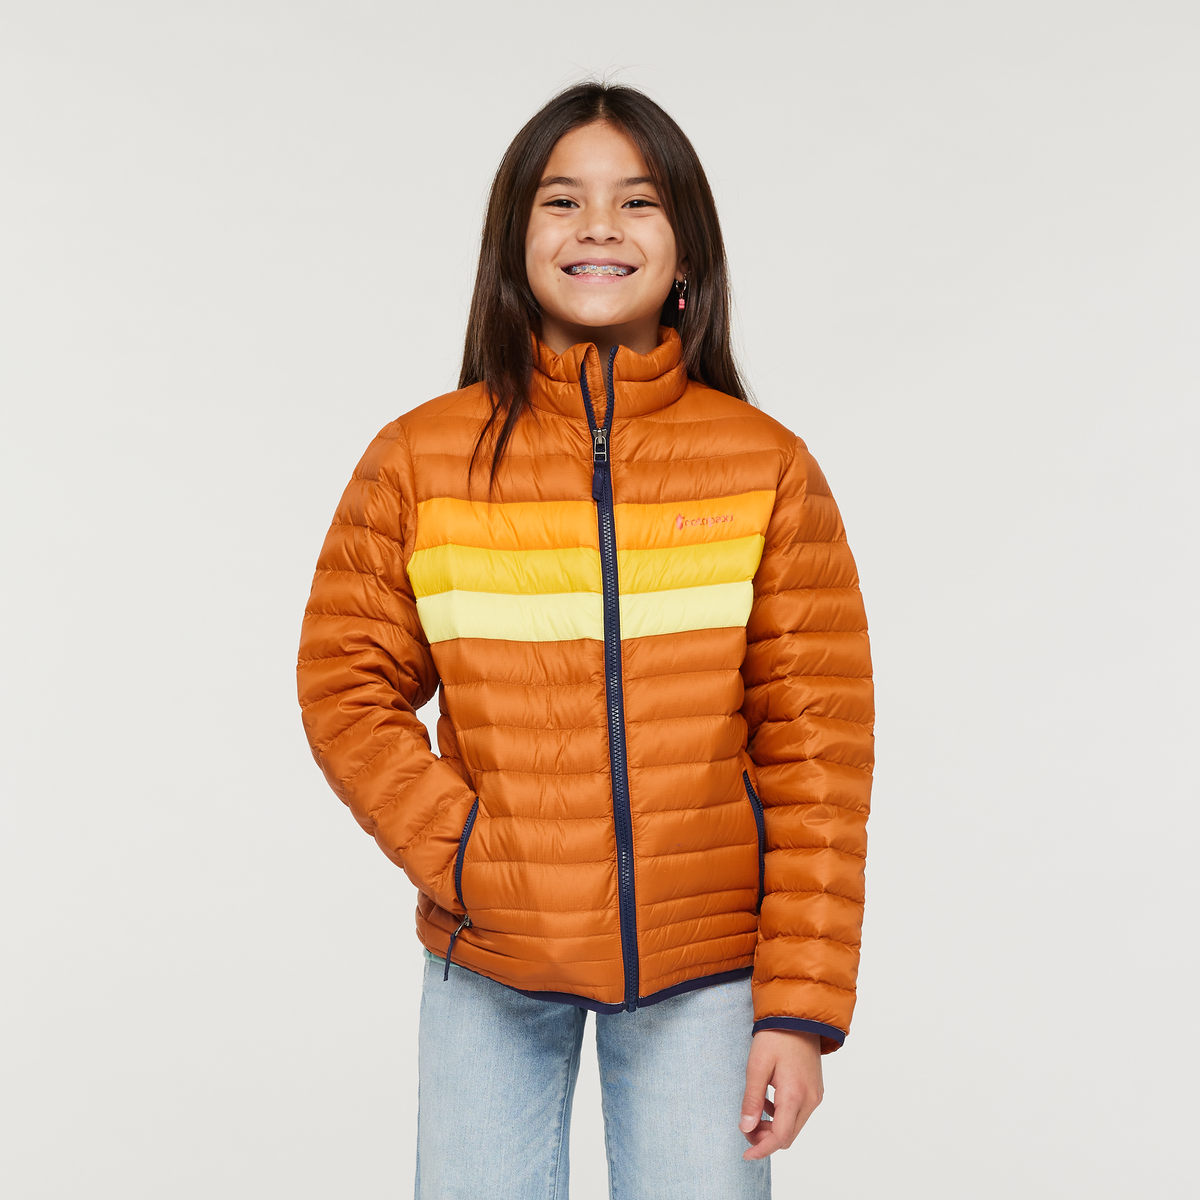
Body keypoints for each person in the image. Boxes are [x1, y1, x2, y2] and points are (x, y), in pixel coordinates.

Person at [297, 81, 874, 1200]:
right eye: (563, 201)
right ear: (515, 241)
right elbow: (343, 683)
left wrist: (800, 1009)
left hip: (707, 967)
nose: (599, 227)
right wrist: (464, 854)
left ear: (686, 243)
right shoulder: (421, 461)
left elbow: (819, 757)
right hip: (489, 958)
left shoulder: (765, 466)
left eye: (637, 201)